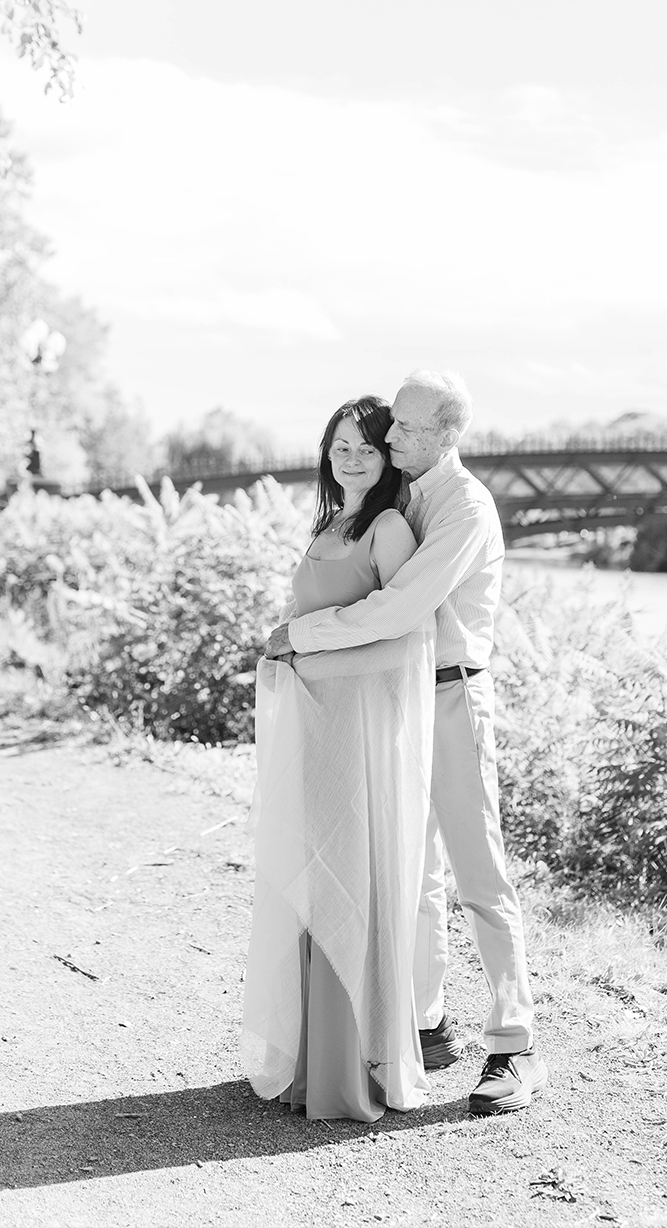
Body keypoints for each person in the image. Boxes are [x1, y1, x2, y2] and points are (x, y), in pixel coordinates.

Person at [263, 369, 544, 1116]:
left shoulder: (466, 509)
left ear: (449, 435)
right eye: (394, 428)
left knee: (480, 872)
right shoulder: (401, 490)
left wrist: (303, 638)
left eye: (408, 430)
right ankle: (424, 1023)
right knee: (410, 873)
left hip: (451, 694)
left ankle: (516, 1046)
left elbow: (400, 608)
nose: (390, 439)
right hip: (394, 699)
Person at [243, 395, 434, 1121]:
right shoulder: (330, 524)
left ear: (389, 459)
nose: (351, 457)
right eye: (341, 445)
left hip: (354, 733)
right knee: (312, 876)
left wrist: (301, 638)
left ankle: (349, 1069)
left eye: (367, 447)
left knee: (348, 879)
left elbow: (401, 639)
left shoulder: (387, 528)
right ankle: (306, 1061)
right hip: (311, 728)